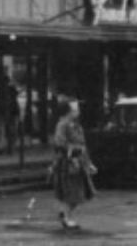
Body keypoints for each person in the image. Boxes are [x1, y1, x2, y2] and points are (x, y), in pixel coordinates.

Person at [50, 98, 96, 230]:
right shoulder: (63, 125)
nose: (78, 111)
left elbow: (83, 145)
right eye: (75, 109)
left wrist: (88, 163)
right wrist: (72, 150)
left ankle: (65, 214)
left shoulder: (75, 125)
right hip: (68, 163)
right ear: (68, 111)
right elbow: (59, 143)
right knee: (73, 192)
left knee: (78, 192)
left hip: (78, 162)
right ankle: (65, 216)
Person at [0, 71, 20, 154]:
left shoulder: (0, 90)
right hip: (9, 113)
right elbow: (15, 101)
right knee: (9, 131)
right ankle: (9, 148)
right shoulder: (9, 90)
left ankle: (2, 148)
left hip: (5, 113)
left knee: (2, 130)